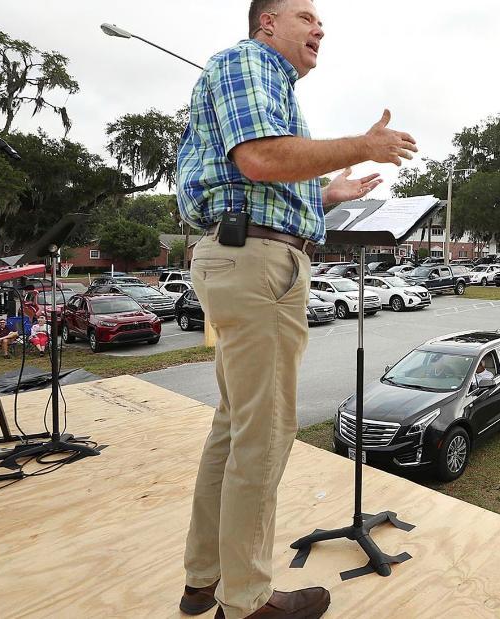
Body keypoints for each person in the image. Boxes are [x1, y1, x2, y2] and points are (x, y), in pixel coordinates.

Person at [175, 2, 417, 617]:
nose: (319, 29)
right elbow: (260, 158)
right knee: (265, 432)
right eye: (305, 16)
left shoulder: (268, 81)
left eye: (321, 21)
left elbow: (261, 175)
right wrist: (359, 145)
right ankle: (249, 598)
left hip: (243, 252)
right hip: (257, 262)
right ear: (267, 24)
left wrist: (330, 191)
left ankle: (204, 579)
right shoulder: (248, 61)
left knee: (234, 426)